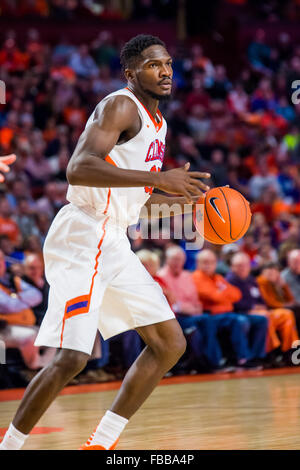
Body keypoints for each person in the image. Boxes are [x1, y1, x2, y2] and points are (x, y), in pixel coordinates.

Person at [0, 34, 211, 451]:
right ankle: (9, 446)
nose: (165, 71)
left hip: (113, 238)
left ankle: (101, 443)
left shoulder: (160, 124)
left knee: (170, 343)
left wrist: (172, 198)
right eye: (154, 65)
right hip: (84, 233)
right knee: (73, 359)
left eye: (168, 63)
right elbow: (78, 168)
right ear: (131, 74)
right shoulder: (119, 105)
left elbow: (127, 198)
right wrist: (156, 178)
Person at [193, 249, 268, 369]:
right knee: (239, 321)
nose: (209, 265)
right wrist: (223, 294)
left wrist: (221, 294)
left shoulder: (217, 277)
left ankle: (256, 356)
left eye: (212, 262)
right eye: (205, 262)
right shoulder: (196, 278)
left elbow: (236, 294)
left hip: (228, 314)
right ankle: (243, 359)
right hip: (212, 316)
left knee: (261, 320)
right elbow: (214, 296)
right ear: (198, 263)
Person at [228, 252, 298, 364]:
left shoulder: (251, 280)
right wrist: (252, 308)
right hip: (245, 312)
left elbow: (263, 301)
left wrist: (283, 286)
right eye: (239, 265)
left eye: (245, 265)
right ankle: (270, 353)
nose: (242, 268)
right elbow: (234, 302)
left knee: (287, 314)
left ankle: (289, 351)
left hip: (261, 311)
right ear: (232, 267)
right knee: (265, 318)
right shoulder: (231, 281)